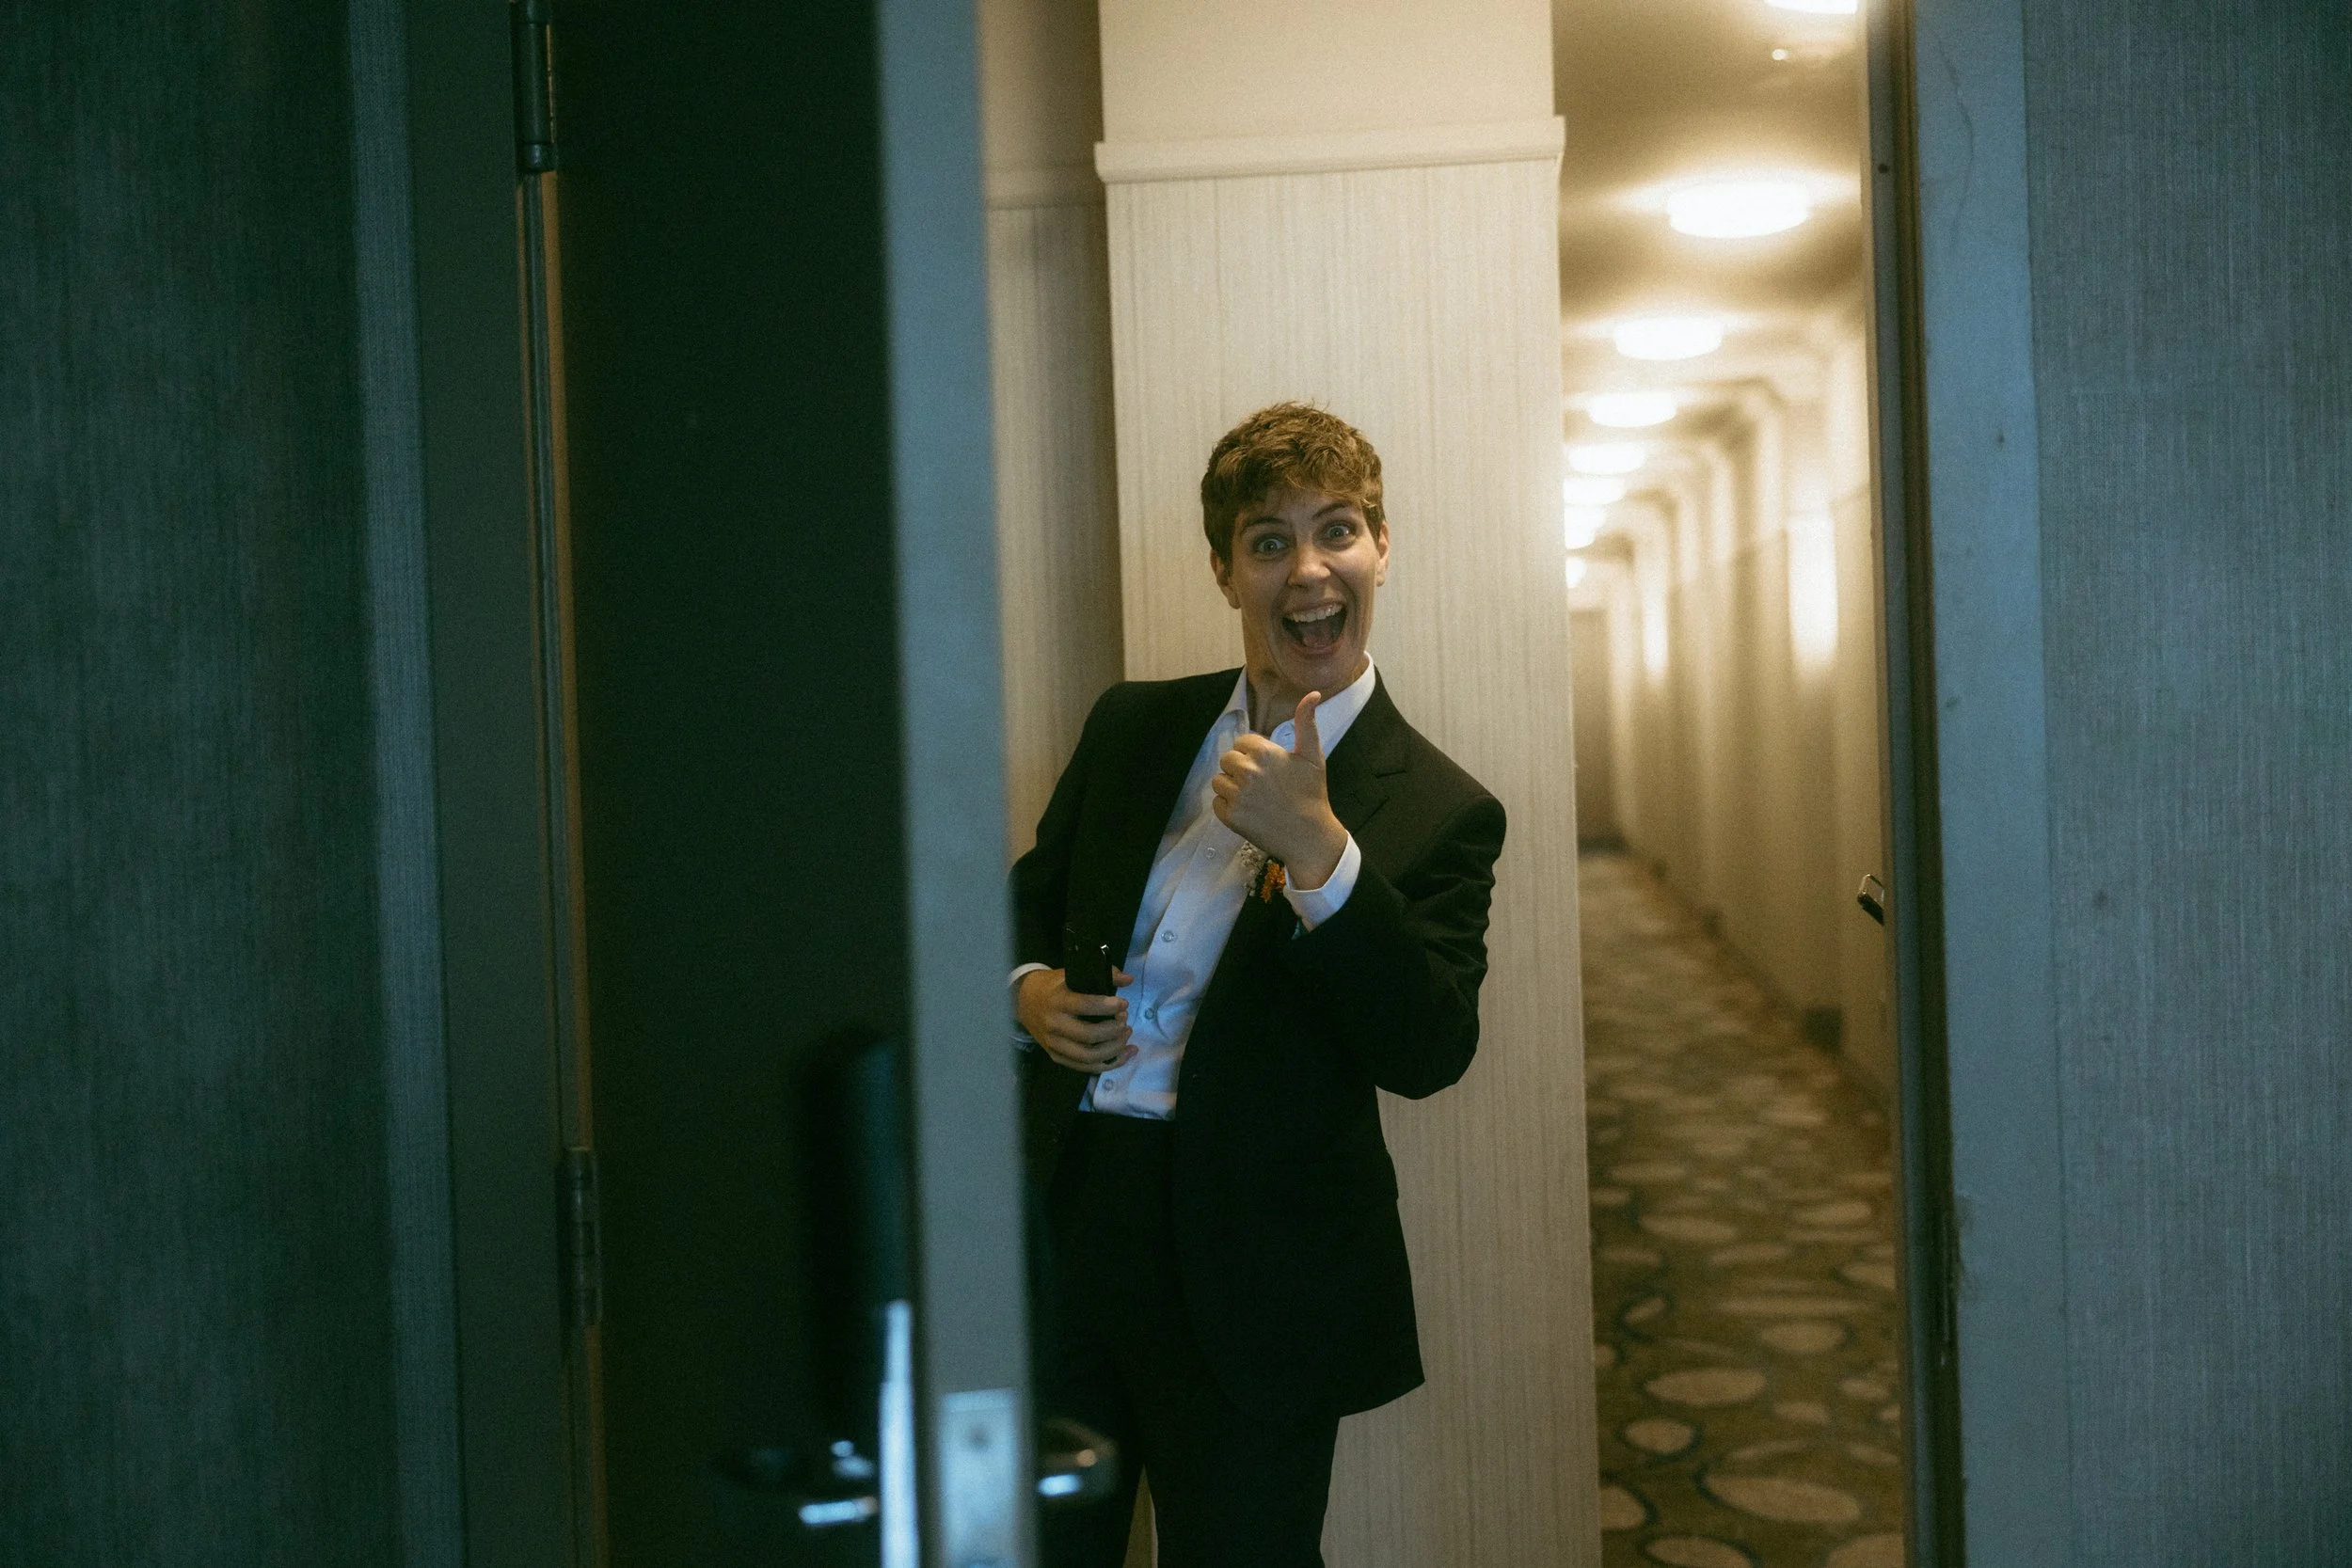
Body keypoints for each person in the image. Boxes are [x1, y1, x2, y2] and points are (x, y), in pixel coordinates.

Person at [1010, 403, 1505, 1566]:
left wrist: (1323, 856)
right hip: (1067, 1221)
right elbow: (1025, 904)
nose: (1308, 569)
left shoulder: (1442, 806)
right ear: (1225, 570)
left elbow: (1429, 1048)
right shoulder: (1133, 723)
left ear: (1381, 546)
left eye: (1337, 530)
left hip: (1259, 1269)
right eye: (1269, 540)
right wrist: (1025, 992)